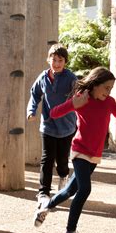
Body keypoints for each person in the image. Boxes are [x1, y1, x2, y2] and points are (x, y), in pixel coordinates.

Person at [33, 66, 116, 233]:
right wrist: (73, 105)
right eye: (106, 88)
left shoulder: (109, 101)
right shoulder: (81, 100)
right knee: (85, 189)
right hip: (79, 151)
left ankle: (46, 205)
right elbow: (54, 113)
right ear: (95, 85)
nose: (108, 92)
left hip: (94, 154)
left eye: (111, 88)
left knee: (70, 190)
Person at [27, 44, 77, 207]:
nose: (56, 63)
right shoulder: (43, 77)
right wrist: (31, 110)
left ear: (65, 62)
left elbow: (78, 97)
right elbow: (35, 95)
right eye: (53, 59)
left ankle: (63, 176)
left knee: (62, 160)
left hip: (66, 127)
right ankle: (43, 193)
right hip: (48, 126)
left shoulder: (70, 78)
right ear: (49, 59)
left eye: (60, 60)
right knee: (47, 159)